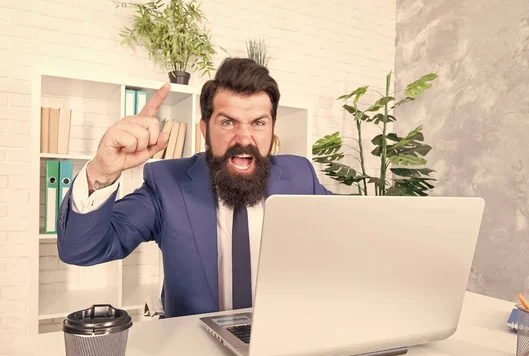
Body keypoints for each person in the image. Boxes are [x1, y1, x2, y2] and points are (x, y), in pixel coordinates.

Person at [57, 58, 332, 318]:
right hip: (195, 352)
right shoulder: (167, 183)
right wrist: (102, 170)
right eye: (227, 122)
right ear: (204, 130)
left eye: (258, 123)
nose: (244, 138)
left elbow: (350, 235)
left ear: (272, 129)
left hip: (283, 345)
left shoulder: (300, 177)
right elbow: (81, 249)